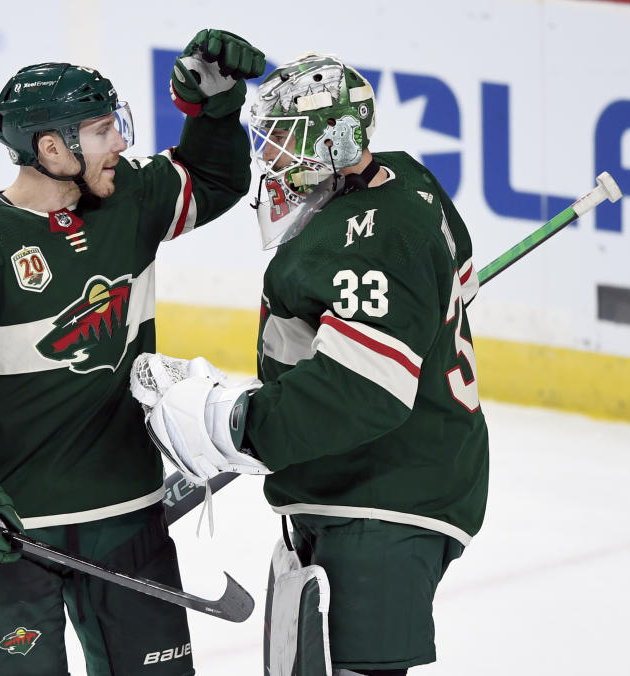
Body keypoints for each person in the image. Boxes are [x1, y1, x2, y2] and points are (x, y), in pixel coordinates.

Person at [0, 30, 265, 676]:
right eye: (104, 130)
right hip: (7, 534)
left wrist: (212, 106)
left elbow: (213, 177)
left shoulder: (129, 198)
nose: (122, 144)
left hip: (129, 519)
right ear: (52, 148)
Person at [131, 53, 489, 676]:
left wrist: (229, 422)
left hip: (384, 501)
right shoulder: (406, 182)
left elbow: (358, 393)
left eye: (286, 140)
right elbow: (456, 281)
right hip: (355, 481)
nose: (268, 157)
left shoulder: (375, 236)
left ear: (342, 141)